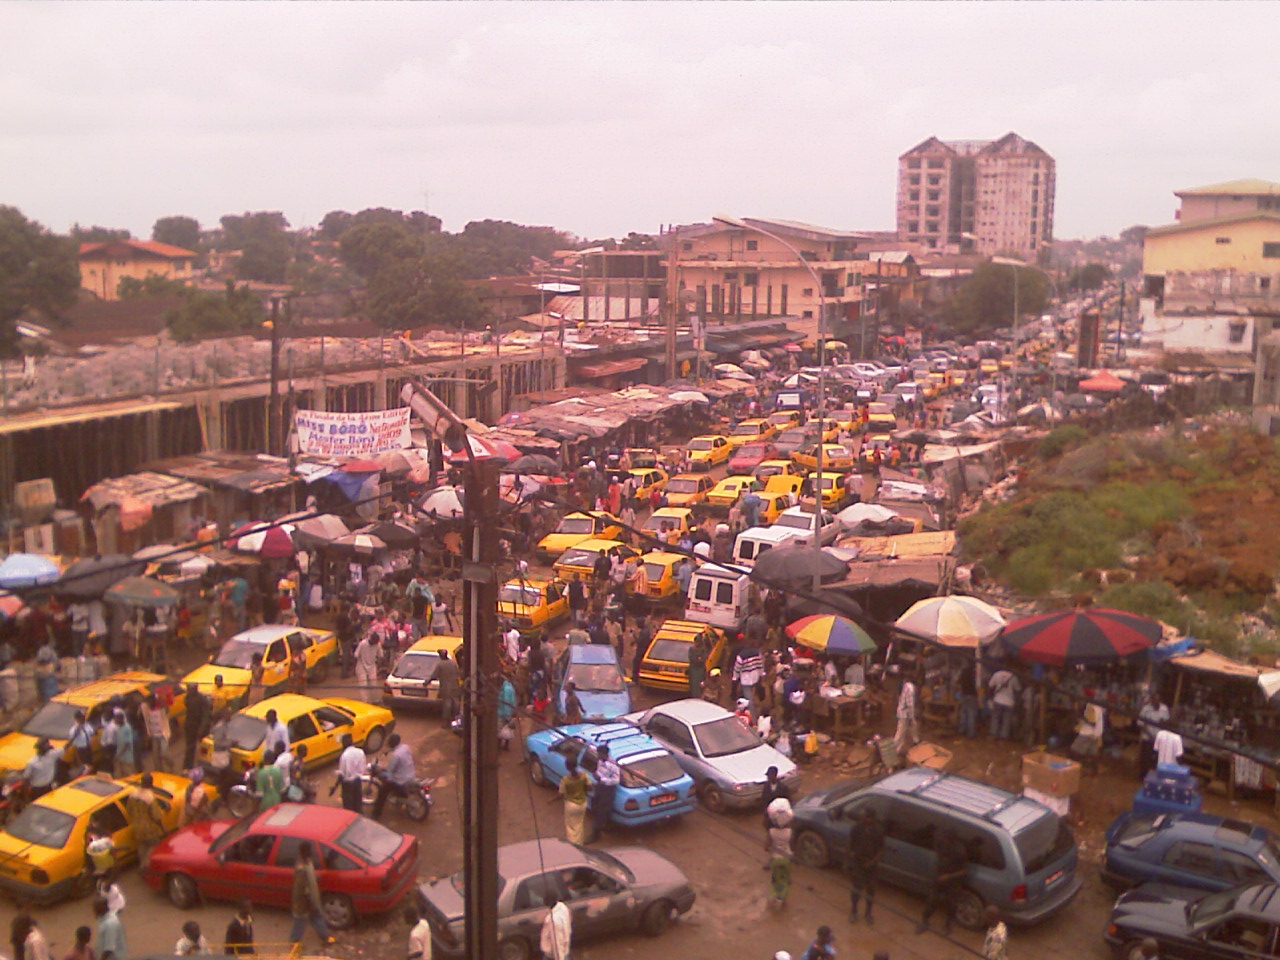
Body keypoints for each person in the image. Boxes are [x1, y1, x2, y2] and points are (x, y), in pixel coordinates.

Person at [919, 827, 968, 935]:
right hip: (938, 878)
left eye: (947, 838)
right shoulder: (942, 844)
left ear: (952, 839)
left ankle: (947, 925)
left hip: (952, 882)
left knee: (951, 904)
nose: (944, 840)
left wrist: (948, 876)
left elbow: (964, 871)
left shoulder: (960, 851)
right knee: (931, 900)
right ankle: (924, 921)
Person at [289, 841, 335, 947]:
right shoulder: (301, 868)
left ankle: (324, 937)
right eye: (309, 850)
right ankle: (294, 942)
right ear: (304, 852)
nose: (311, 852)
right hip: (304, 901)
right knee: (300, 921)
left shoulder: (307, 862)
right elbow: (301, 889)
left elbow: (309, 880)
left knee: (316, 917)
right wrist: (309, 901)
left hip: (312, 899)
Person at [847, 805, 885, 925]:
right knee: (856, 889)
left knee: (871, 890)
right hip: (858, 862)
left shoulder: (878, 830)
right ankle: (854, 911)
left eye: (865, 816)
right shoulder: (857, 828)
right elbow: (849, 844)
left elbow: (881, 849)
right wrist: (848, 861)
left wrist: (873, 862)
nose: (862, 818)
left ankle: (868, 913)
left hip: (872, 866)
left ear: (871, 818)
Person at [126, 772, 166, 867]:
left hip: (136, 828)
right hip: (150, 830)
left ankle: (143, 866)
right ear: (151, 783)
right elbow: (156, 816)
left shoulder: (133, 794)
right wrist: (163, 828)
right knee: (153, 848)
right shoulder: (150, 797)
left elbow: (129, 809)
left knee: (141, 848)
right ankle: (145, 867)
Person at [373, 733, 417, 820]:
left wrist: (379, 769)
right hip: (410, 775)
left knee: (382, 791)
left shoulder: (395, 756)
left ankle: (376, 814)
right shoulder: (405, 747)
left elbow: (389, 769)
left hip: (400, 780)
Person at [765, 797, 793, 909]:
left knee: (776, 880)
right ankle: (783, 899)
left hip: (775, 859)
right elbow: (793, 846)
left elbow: (766, 846)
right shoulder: (790, 832)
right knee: (785, 880)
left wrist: (771, 848)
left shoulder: (771, 832)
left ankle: (775, 897)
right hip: (787, 859)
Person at [559, 755, 591, 845]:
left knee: (570, 827)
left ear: (567, 766)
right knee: (579, 825)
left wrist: (551, 800)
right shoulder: (584, 775)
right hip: (582, 803)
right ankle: (580, 843)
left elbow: (561, 793)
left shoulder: (565, 780)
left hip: (571, 805)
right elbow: (590, 788)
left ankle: (573, 845)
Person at [1138, 692, 1171, 779]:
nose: (1156, 702)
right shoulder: (1146, 709)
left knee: (1157, 759)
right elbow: (1141, 723)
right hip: (1147, 737)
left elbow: (1167, 722)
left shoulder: (1164, 709)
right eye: (1154, 700)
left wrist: (1163, 724)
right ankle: (1143, 777)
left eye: (1158, 700)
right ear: (1151, 701)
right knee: (1145, 758)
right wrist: (1149, 735)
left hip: (1159, 738)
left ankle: (1154, 778)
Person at [592, 744, 620, 839]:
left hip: (608, 789)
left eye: (599, 753)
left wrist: (602, 780)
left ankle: (596, 833)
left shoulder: (613, 766)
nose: (598, 755)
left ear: (605, 754)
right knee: (595, 806)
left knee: (602, 810)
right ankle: (604, 826)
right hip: (599, 787)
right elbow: (599, 771)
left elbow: (616, 780)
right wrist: (596, 775)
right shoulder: (600, 761)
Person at [1071, 701, 1106, 776]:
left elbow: (1092, 723)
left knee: (1074, 752)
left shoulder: (1092, 707)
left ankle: (1074, 771)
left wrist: (1081, 716)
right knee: (1094, 754)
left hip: (1087, 733)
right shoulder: (1097, 707)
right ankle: (1094, 772)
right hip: (1095, 734)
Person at [335, 734, 367, 814]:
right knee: (357, 802)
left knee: (348, 806)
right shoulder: (360, 752)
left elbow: (342, 774)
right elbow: (363, 767)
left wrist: (335, 786)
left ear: (344, 743)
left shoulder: (344, 756)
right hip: (357, 781)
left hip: (348, 784)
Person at [987, 664, 1019, 741]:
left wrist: (990, 697)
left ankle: (994, 734)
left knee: (995, 717)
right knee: (1006, 719)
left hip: (998, 699)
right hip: (1009, 702)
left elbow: (990, 686)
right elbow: (1017, 690)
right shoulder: (1013, 677)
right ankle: (1004, 736)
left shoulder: (997, 674)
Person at [183, 683, 211, 770]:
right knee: (189, 748)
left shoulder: (202, 700)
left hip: (200, 727)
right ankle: (187, 767)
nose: (189, 691)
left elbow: (205, 716)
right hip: (190, 726)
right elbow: (186, 705)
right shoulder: (188, 697)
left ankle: (204, 766)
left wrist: (201, 729)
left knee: (204, 749)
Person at [540, 893, 572, 960]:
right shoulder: (563, 907)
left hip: (553, 955)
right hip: (564, 949)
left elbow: (557, 943)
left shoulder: (553, 920)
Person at [894, 677, 919, 755]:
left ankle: (916, 742)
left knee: (912, 728)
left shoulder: (906, 685)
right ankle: (893, 752)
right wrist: (912, 717)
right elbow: (910, 704)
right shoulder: (910, 688)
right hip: (904, 714)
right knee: (900, 734)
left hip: (904, 713)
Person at [435, 648, 459, 726]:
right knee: (456, 703)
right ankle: (456, 719)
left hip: (446, 687)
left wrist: (426, 682)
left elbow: (434, 675)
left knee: (447, 705)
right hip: (455, 686)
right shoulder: (453, 663)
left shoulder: (440, 665)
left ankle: (446, 722)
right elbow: (458, 673)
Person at [354, 633, 381, 704]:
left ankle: (375, 700)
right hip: (361, 666)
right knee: (363, 685)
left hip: (372, 666)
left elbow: (380, 656)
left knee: (374, 684)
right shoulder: (362, 644)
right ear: (371, 639)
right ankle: (365, 702)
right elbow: (356, 655)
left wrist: (379, 666)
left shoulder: (377, 645)